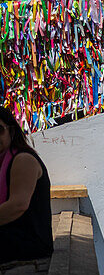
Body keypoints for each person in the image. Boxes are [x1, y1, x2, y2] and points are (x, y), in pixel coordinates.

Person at [0, 106, 53, 262]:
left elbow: (18, 205)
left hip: (30, 243)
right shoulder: (4, 161)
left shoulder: (23, 159)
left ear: (11, 131)